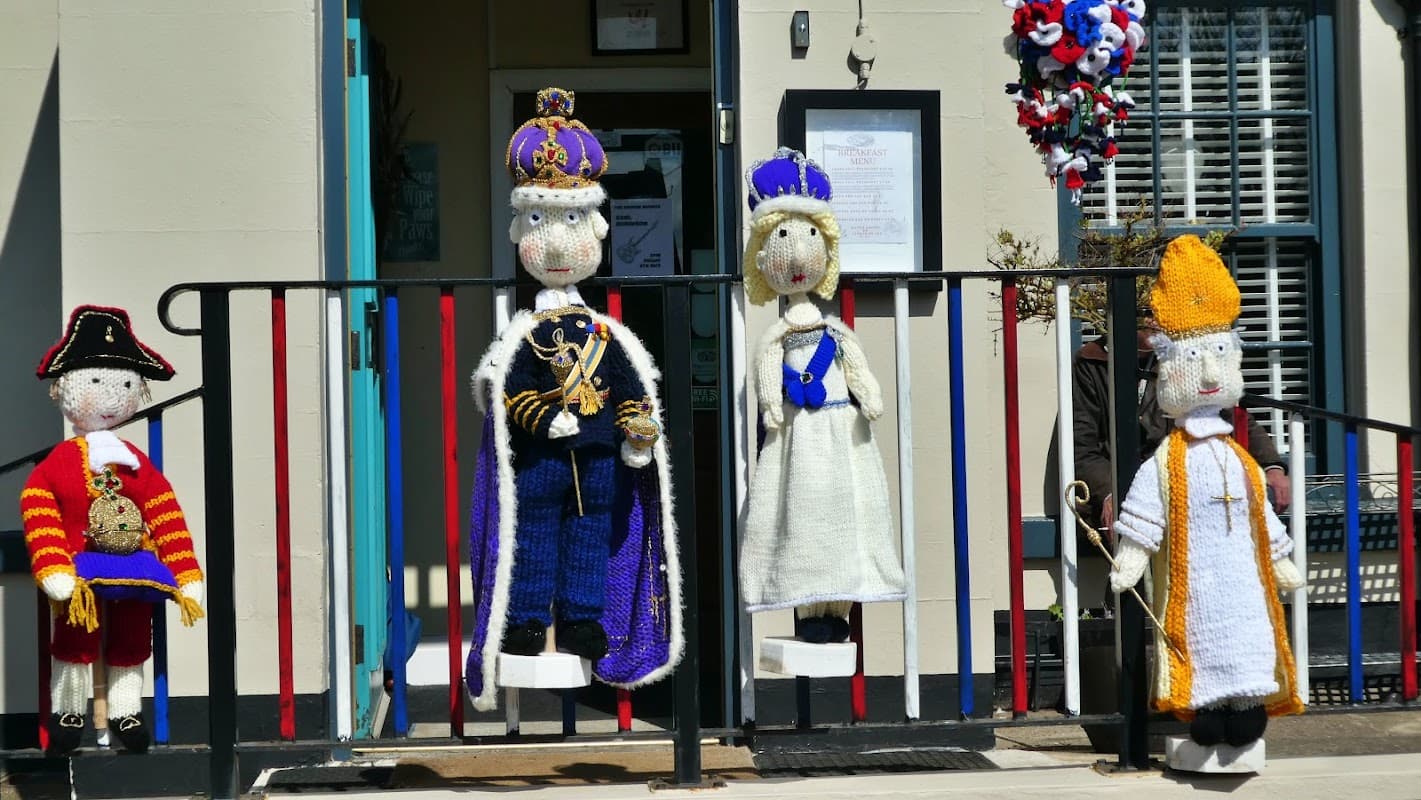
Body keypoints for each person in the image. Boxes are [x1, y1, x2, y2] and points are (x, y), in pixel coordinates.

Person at [1108, 234, 1304, 749]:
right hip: (1193, 571)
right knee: (1197, 632)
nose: (1213, 375)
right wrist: (1130, 555)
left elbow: (1262, 512)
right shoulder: (1167, 459)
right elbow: (1146, 508)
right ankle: (1208, 706)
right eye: (1199, 363)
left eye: (1222, 358)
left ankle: (1246, 701)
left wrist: (1280, 558)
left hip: (1242, 572)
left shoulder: (1239, 455)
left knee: (1246, 630)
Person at [1072, 308, 1292, 537]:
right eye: (1146, 312)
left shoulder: (1187, 357)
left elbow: (1230, 413)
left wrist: (1272, 466)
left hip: (1184, 491)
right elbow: (1081, 445)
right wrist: (1110, 491)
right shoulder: (1091, 362)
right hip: (1126, 497)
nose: (1154, 320)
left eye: (1160, 310)